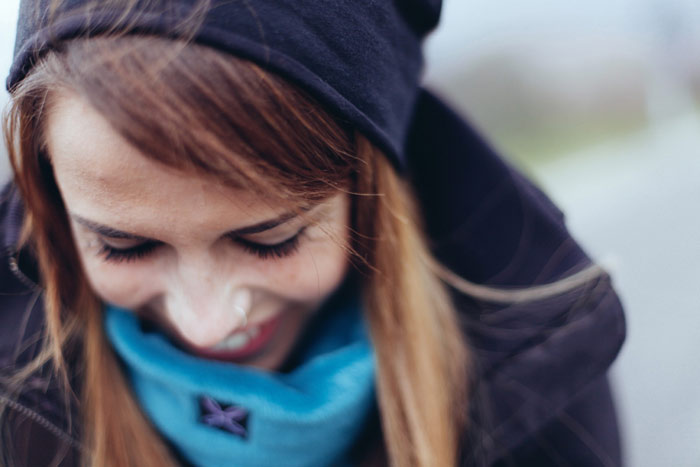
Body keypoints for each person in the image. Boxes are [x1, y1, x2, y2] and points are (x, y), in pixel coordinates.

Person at [0, 0, 626, 465]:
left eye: (271, 239)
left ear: (370, 195)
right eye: (123, 245)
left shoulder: (541, 364)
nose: (207, 323)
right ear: (51, 206)